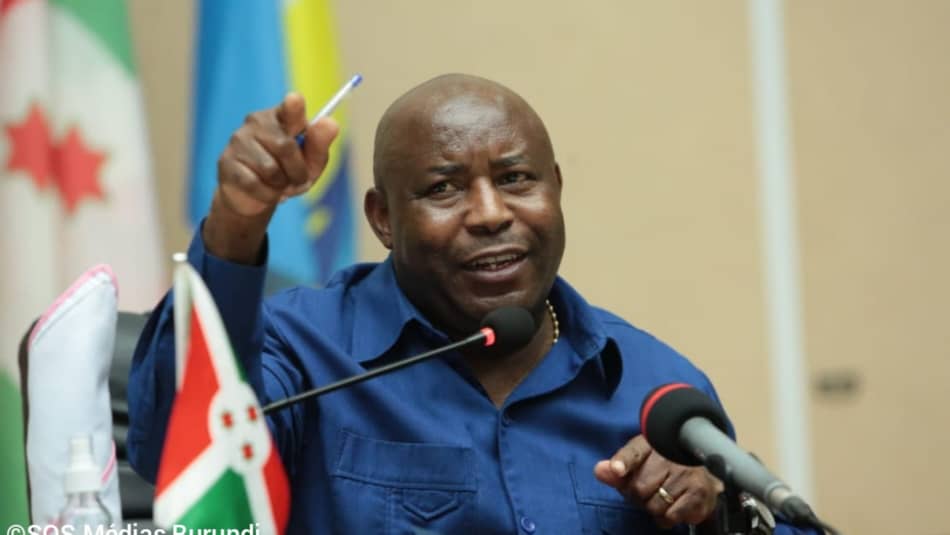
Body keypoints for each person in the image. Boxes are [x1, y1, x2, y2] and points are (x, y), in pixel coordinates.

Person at [128, 74, 813, 534]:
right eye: (444, 189)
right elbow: (179, 459)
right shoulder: (303, 348)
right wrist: (237, 223)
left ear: (556, 189)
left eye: (516, 179)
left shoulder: (659, 391)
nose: (490, 214)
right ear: (383, 219)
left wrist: (715, 509)